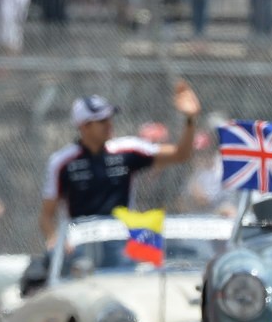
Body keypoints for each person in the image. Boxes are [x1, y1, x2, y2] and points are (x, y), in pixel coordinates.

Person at [40, 83, 202, 248]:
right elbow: (46, 215)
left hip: (121, 243)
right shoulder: (61, 162)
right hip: (81, 245)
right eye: (102, 120)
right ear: (84, 126)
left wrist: (190, 120)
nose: (109, 124)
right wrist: (55, 240)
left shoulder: (128, 150)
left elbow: (181, 154)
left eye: (110, 118)